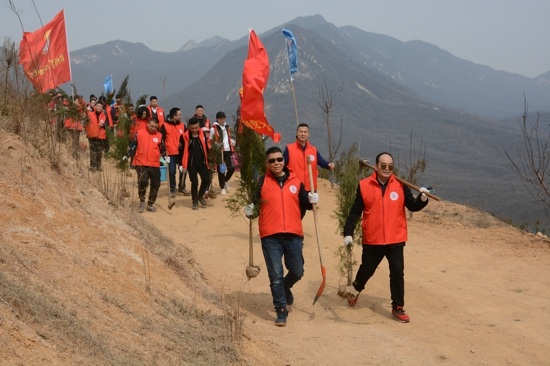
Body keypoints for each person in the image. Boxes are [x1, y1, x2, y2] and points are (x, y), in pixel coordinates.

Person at [341, 152, 430, 323]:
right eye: (383, 165)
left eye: (390, 166)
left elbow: (412, 205)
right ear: (376, 166)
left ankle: (398, 307)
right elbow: (354, 213)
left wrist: (423, 198)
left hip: (395, 238)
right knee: (366, 270)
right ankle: (355, 290)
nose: (387, 169)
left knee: (397, 273)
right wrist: (348, 233)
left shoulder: (400, 185)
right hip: (373, 238)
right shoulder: (364, 185)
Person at [245, 146, 319, 327]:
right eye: (272, 161)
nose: (276, 163)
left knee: (297, 271)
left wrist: (312, 199)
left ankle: (286, 287)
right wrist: (249, 210)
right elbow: (254, 207)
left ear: (284, 161)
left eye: (279, 159)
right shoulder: (261, 182)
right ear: (266, 163)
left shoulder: (296, 181)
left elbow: (307, 204)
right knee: (276, 274)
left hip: (293, 234)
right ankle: (281, 310)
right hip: (270, 235)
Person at [283, 123, 335, 217]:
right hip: (293, 187)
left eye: (305, 132)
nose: (303, 134)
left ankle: (295, 229)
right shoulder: (289, 149)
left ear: (308, 134)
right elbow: (281, 165)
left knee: (302, 212)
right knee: (293, 212)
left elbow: (321, 161)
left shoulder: (313, 150)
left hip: (309, 188)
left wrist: (329, 165)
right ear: (297, 133)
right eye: (301, 131)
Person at [128, 118, 166, 213]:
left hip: (154, 164)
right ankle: (141, 202)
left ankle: (150, 204)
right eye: (152, 126)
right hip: (141, 162)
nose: (153, 128)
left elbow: (162, 148)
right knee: (142, 182)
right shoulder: (139, 133)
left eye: (156, 127)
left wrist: (165, 156)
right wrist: (128, 154)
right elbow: (133, 145)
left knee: (156, 184)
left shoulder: (159, 135)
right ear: (148, 124)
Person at [180, 117, 210, 210]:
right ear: (189, 127)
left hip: (202, 162)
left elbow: (206, 147)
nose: (194, 130)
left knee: (206, 179)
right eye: (192, 128)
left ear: (199, 126)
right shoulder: (184, 136)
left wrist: (210, 159)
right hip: (191, 163)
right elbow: (181, 151)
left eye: (196, 128)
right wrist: (181, 164)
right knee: (195, 182)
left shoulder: (202, 134)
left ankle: (200, 195)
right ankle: (195, 200)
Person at [160, 108, 185, 197]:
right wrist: (163, 152)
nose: (181, 116)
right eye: (179, 115)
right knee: (172, 171)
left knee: (183, 170)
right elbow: (161, 139)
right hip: (170, 153)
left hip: (181, 153)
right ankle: (173, 188)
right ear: (174, 116)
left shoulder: (182, 125)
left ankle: (182, 186)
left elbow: (186, 138)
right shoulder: (165, 126)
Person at [211, 111, 235, 195]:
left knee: (232, 168)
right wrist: (216, 144)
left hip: (228, 149)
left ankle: (225, 180)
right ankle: (222, 187)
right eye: (220, 118)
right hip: (220, 151)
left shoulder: (226, 127)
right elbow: (211, 139)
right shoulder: (214, 128)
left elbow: (227, 137)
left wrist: (231, 141)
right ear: (217, 119)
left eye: (223, 118)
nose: (222, 120)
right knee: (221, 169)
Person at [85, 101, 111, 172]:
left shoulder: (104, 116)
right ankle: (93, 166)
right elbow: (86, 123)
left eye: (101, 107)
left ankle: (98, 166)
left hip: (101, 136)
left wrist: (103, 124)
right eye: (98, 106)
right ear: (95, 107)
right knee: (93, 151)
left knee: (99, 151)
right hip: (92, 135)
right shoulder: (90, 114)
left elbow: (107, 124)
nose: (99, 108)